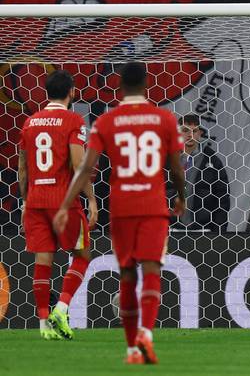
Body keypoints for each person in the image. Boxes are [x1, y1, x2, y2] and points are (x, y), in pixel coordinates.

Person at [53, 62, 186, 364]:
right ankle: (146, 335)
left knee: (126, 274)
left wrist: (65, 206)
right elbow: (176, 167)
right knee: (151, 270)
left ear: (119, 86)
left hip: (122, 207)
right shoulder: (164, 118)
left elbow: (86, 167)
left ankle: (130, 351)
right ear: (147, 84)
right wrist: (180, 197)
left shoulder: (106, 121)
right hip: (153, 205)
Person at [17, 70, 98, 341]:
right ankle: (61, 309)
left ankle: (43, 325)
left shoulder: (30, 122)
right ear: (72, 92)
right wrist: (91, 199)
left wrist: (26, 202)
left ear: (45, 93)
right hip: (64, 201)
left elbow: (23, 167)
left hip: (36, 200)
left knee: (43, 262)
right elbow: (79, 165)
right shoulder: (73, 120)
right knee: (83, 254)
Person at [168, 114, 230, 232]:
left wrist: (219, 232)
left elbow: (222, 197)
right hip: (172, 229)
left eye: (194, 131)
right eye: (185, 130)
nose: (190, 135)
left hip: (203, 230)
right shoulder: (166, 160)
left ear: (200, 133)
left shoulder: (212, 160)